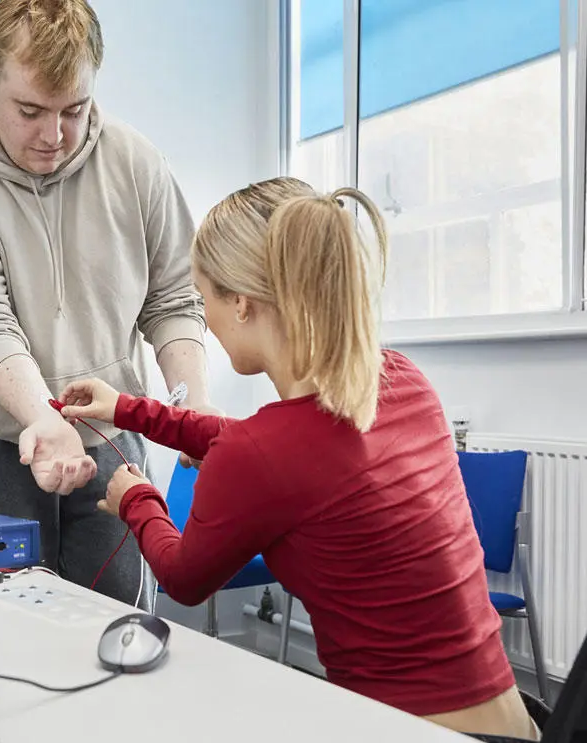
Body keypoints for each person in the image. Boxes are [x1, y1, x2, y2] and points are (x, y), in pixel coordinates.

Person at [57, 177, 538, 739]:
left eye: (203, 298)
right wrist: (127, 409)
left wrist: (136, 499)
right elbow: (279, 449)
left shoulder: (263, 452)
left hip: (410, 731)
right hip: (517, 723)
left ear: (241, 303)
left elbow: (184, 579)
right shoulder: (404, 380)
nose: (205, 320)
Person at [0, 0, 215, 606]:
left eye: (74, 110)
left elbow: (174, 297)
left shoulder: (135, 163)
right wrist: (43, 418)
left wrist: (192, 404)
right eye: (30, 111)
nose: (53, 136)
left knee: (119, 627)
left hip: (113, 435)